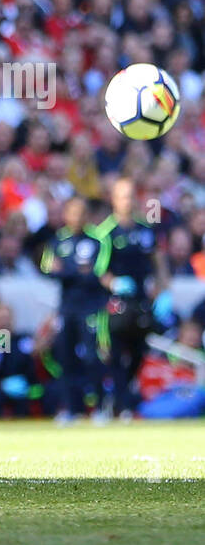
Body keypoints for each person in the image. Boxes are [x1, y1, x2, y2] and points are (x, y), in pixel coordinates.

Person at [93, 178, 162, 419]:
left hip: (142, 303)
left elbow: (157, 261)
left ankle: (124, 400)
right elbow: (99, 270)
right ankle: (118, 404)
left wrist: (162, 288)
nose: (128, 201)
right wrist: (114, 283)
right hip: (116, 305)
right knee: (114, 353)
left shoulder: (145, 229)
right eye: (123, 196)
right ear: (113, 199)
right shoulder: (105, 233)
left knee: (140, 352)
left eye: (131, 195)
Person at [40, 197, 110, 424]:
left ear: (87, 215)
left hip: (91, 308)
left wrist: (68, 270)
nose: (76, 217)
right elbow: (48, 269)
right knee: (65, 358)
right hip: (66, 307)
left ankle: (100, 407)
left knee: (92, 357)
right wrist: (78, 271)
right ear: (66, 215)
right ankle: (71, 409)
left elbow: (97, 274)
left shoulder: (99, 239)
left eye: (81, 212)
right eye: (72, 212)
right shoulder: (58, 241)